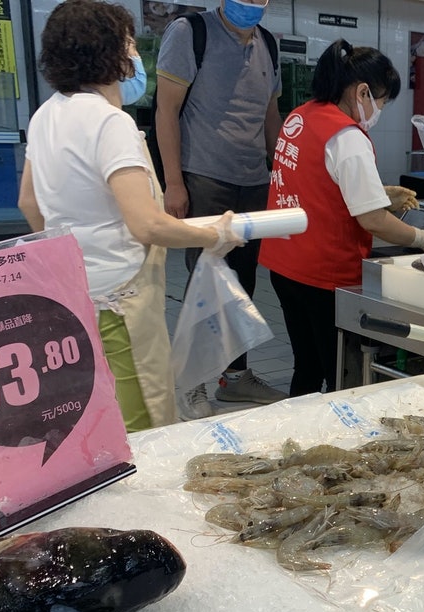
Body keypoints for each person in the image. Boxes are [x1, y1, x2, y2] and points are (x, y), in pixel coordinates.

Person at [18, 0, 243, 432]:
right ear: (107, 51)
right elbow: (147, 224)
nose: (135, 54)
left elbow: (28, 201)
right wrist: (215, 234)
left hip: (76, 293)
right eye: (129, 43)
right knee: (142, 416)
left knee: (99, 408)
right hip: (121, 299)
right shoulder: (109, 123)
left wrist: (73, 256)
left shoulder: (47, 114)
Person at [258, 41, 424, 398]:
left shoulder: (302, 116)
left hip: (284, 265)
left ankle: (294, 425)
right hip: (323, 275)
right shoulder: (347, 136)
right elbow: (373, 220)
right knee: (338, 374)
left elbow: (316, 182)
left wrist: (381, 193)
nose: (378, 111)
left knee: (306, 367)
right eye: (381, 102)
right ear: (362, 92)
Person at [154, 0, 286, 419]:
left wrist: (282, 176)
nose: (252, 4)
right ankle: (191, 381)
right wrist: (174, 182)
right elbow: (166, 111)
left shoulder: (268, 43)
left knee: (243, 283)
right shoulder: (190, 32)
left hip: (253, 181)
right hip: (205, 179)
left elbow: (270, 116)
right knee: (204, 283)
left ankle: (235, 377)